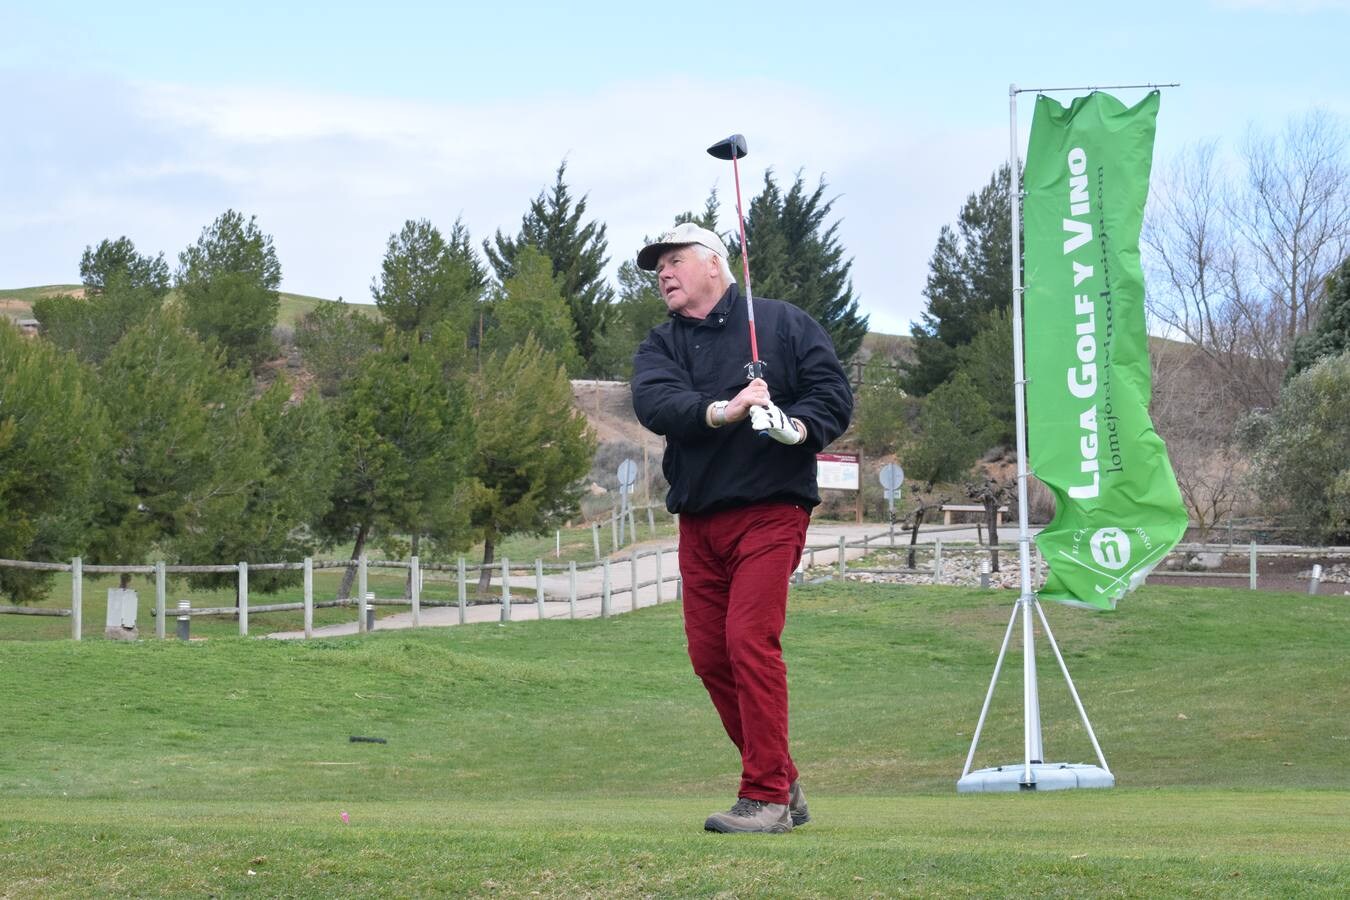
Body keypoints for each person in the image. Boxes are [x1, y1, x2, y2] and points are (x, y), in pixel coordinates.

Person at [630, 222, 854, 833]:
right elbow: (655, 402)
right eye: (657, 269)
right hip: (700, 518)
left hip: (771, 509)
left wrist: (797, 426)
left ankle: (765, 797)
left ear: (713, 263)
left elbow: (832, 394)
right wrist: (723, 410)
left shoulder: (783, 323)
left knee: (749, 641)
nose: (664, 275)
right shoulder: (661, 343)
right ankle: (783, 777)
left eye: (674, 261)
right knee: (710, 657)